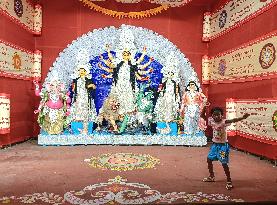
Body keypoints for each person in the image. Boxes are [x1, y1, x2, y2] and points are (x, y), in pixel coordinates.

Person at [203, 107, 250, 190]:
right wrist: (203, 108)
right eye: (214, 115)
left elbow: (233, 120)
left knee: (224, 163)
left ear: (222, 115)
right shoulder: (211, 121)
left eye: (218, 115)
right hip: (214, 146)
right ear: (212, 116)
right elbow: (203, 116)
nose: (216, 116)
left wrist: (243, 118)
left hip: (223, 147)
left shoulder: (224, 122)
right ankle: (211, 176)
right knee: (209, 159)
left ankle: (229, 181)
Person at [69, 65, 97, 133]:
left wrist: (90, 86)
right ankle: (78, 120)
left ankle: (86, 122)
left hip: (86, 97)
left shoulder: (88, 80)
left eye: (83, 71)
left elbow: (94, 87)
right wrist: (73, 88)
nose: (81, 72)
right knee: (78, 108)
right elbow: (73, 89)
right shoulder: (76, 80)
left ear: (86, 72)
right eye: (80, 71)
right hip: (78, 97)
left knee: (86, 109)